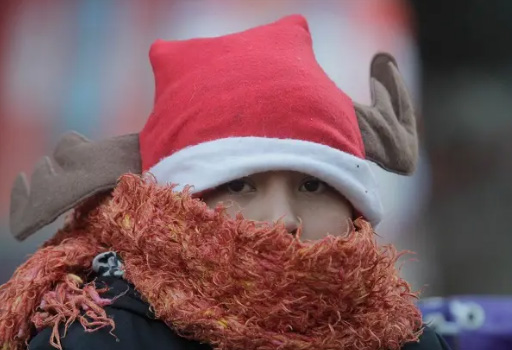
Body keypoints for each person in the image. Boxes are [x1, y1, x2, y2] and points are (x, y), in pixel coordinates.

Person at [0, 15, 450, 350]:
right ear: (174, 203)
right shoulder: (99, 338)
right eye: (239, 185)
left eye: (313, 186)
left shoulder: (405, 340)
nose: (283, 220)